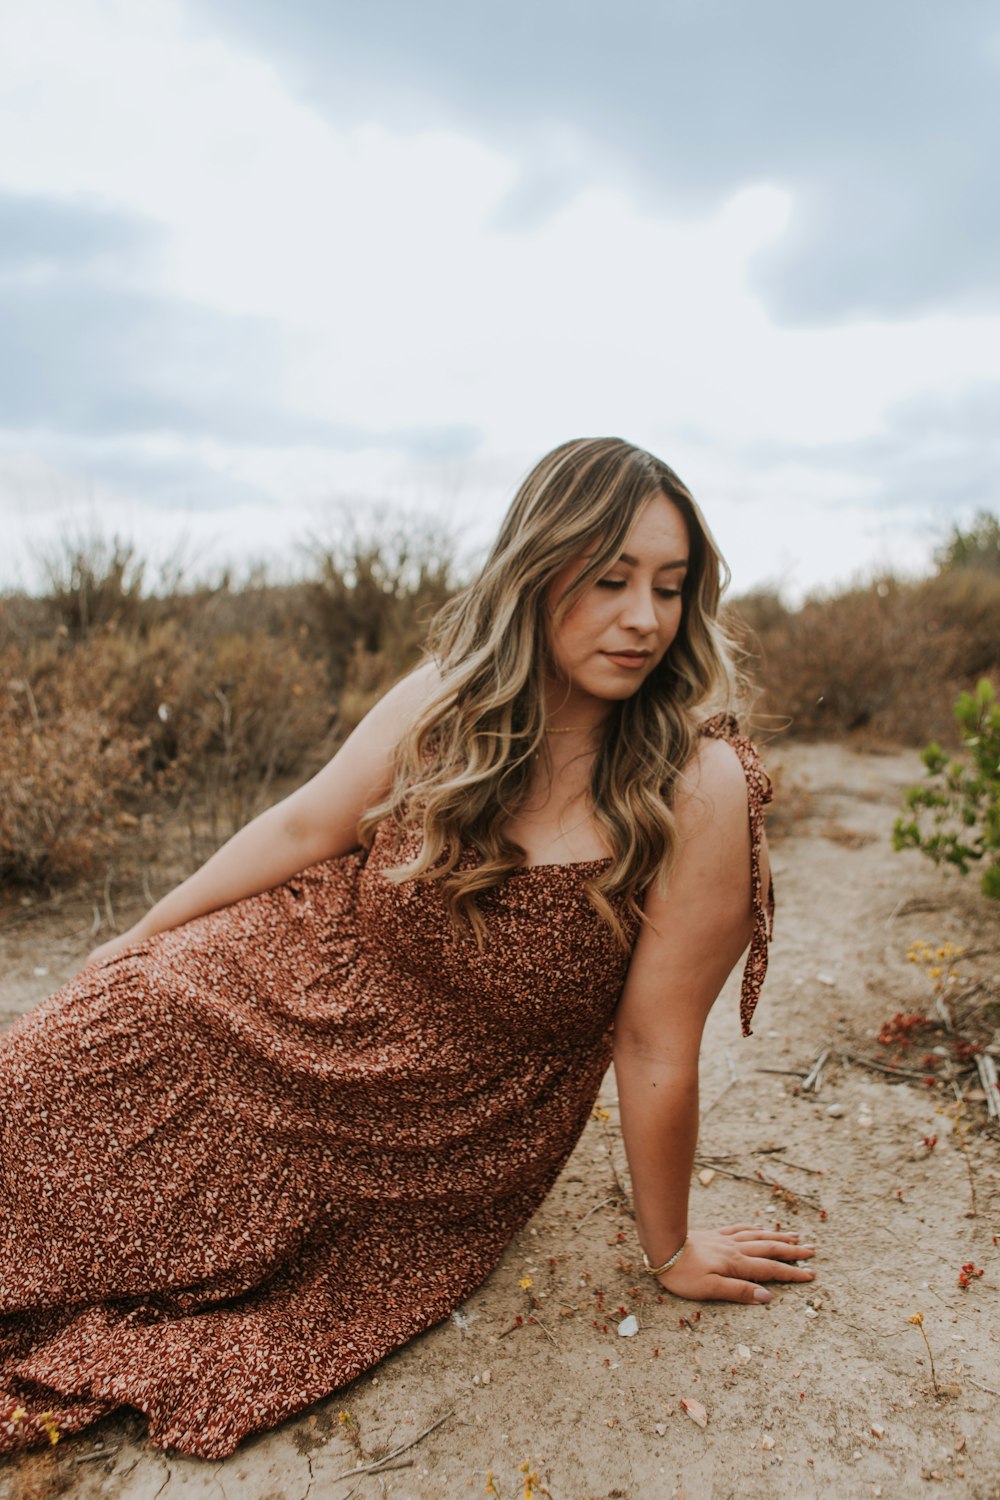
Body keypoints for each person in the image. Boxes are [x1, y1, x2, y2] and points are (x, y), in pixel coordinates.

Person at [0, 437, 815, 1461]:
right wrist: (139, 934)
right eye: (610, 580)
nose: (644, 618)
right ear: (537, 570)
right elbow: (305, 829)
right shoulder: (453, 695)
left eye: (669, 585)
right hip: (258, 987)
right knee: (28, 1085)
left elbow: (654, 1044)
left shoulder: (697, 785)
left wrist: (672, 1248)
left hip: (413, 1138)